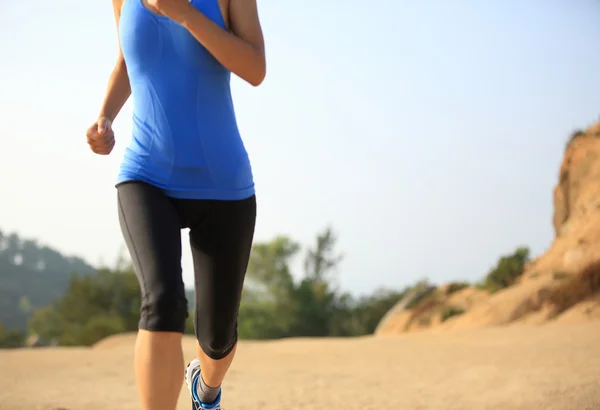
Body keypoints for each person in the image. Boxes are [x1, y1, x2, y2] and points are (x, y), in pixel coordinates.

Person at [85, 0, 266, 408]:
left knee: (217, 339)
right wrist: (105, 118)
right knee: (163, 299)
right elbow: (128, 59)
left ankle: (205, 388)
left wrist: (185, 13)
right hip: (146, 174)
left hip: (222, 182)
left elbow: (255, 69)